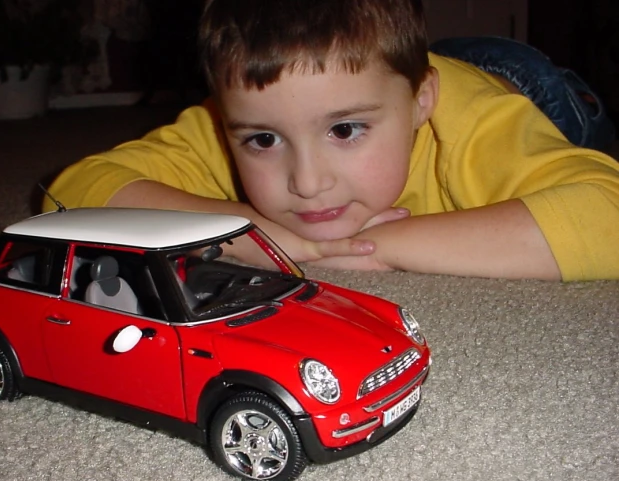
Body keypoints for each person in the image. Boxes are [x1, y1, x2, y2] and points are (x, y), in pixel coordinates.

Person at [45, 0, 619, 281]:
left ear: (421, 102)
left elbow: (605, 215)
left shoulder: (476, 122)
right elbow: (73, 193)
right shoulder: (230, 116)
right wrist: (272, 241)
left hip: (527, 85)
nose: (308, 182)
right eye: (264, 140)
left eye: (345, 130)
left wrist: (382, 247)